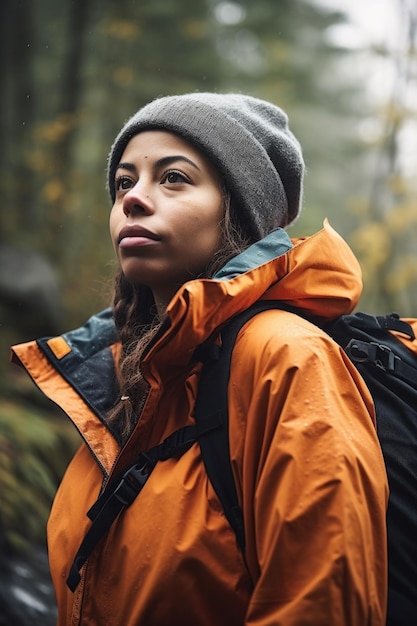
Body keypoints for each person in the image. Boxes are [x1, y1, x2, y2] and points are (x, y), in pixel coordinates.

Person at [11, 93, 388, 625]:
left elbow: (321, 603)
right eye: (124, 181)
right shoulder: (130, 375)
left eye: (173, 178)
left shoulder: (287, 359)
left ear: (238, 209)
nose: (134, 200)